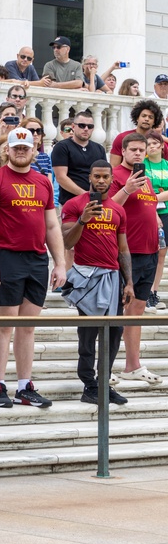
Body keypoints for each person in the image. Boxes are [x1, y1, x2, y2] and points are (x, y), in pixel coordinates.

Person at [0, 127, 65, 408]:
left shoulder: (43, 181)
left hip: (37, 258)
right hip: (7, 256)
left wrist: (60, 263)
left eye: (25, 148)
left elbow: (52, 224)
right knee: (4, 324)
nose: (20, 151)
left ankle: (24, 386)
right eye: (15, 147)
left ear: (34, 149)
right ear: (7, 150)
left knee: (28, 326)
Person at [61, 161, 131, 406]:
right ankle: (89, 384)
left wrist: (129, 282)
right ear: (89, 177)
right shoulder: (74, 205)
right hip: (87, 275)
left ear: (112, 179)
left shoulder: (118, 210)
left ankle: (103, 382)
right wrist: (83, 220)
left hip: (113, 276)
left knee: (114, 332)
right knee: (88, 332)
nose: (101, 181)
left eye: (105, 177)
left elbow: (123, 248)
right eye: (97, 176)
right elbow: (67, 242)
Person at [110, 133, 165, 386]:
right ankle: (106, 365)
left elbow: (149, 207)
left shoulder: (146, 179)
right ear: (123, 151)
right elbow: (108, 208)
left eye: (141, 150)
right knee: (116, 310)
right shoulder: (115, 176)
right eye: (132, 149)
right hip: (125, 253)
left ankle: (132, 364)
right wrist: (125, 189)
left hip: (149, 251)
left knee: (138, 310)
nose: (137, 154)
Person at [52, 110, 106, 206]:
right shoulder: (62, 147)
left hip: (95, 202)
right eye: (82, 125)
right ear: (73, 127)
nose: (86, 129)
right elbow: (61, 177)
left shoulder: (99, 149)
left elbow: (104, 175)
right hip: (70, 202)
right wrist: (85, 195)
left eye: (90, 126)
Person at [144, 132, 168, 307]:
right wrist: (156, 198)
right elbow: (141, 192)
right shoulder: (141, 165)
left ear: (161, 145)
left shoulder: (167, 165)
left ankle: (154, 291)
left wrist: (154, 197)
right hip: (146, 212)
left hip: (165, 213)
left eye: (154, 143)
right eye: (148, 144)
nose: (151, 146)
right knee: (148, 253)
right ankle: (143, 292)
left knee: (161, 253)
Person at [110, 100, 167, 167]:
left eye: (150, 117)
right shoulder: (122, 138)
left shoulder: (159, 143)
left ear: (154, 121)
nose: (146, 119)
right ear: (137, 118)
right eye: (144, 116)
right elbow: (114, 167)